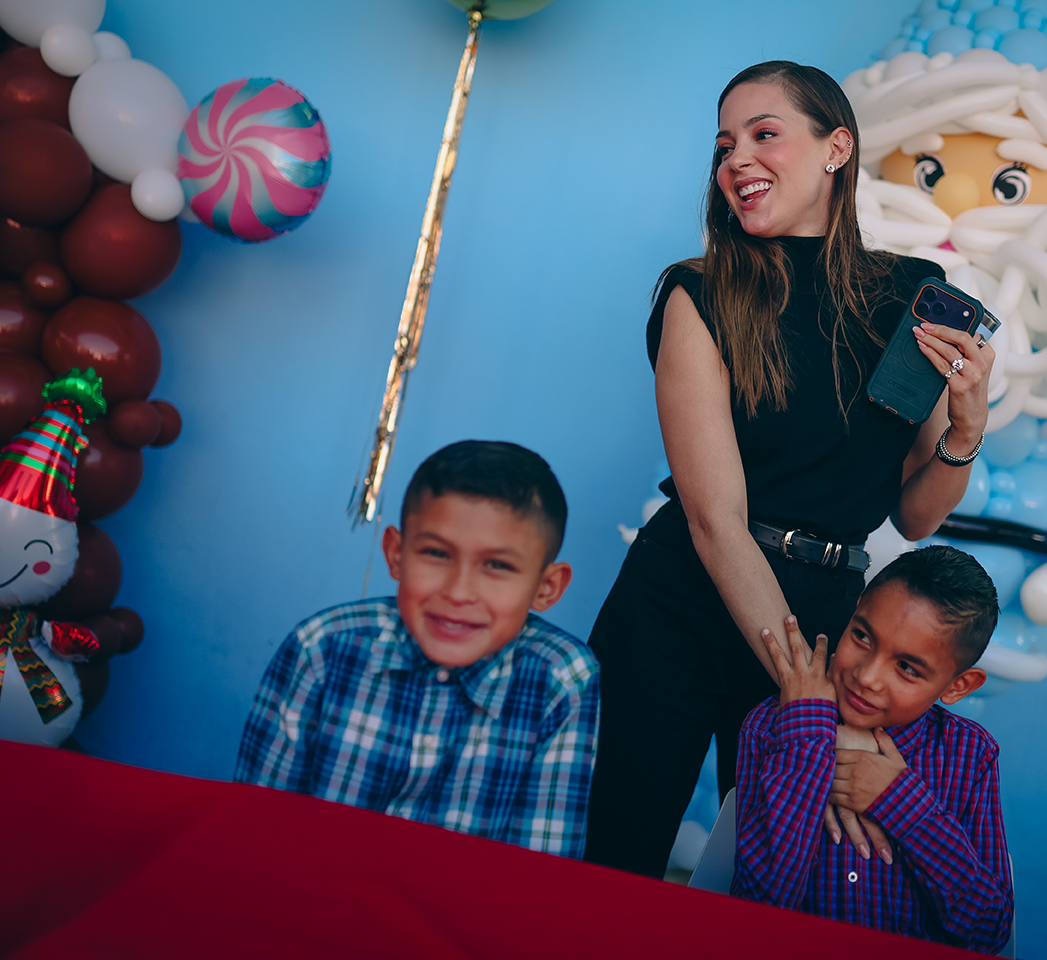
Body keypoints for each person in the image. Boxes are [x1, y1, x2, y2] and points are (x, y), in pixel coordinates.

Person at [584, 59, 995, 877]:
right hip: (680, 606)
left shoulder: (911, 295)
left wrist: (966, 427)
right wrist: (801, 682)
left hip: (826, 615)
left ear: (837, 148)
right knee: (616, 862)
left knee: (776, 879)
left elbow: (915, 516)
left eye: (764, 134)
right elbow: (715, 522)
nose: (736, 158)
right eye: (724, 145)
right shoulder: (696, 294)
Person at [235, 440, 600, 859]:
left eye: (498, 565)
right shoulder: (320, 648)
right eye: (436, 554)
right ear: (396, 554)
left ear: (546, 587)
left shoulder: (563, 680)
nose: (459, 592)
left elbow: (537, 871)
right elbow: (252, 831)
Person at [733, 545, 1012, 954]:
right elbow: (756, 907)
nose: (867, 677)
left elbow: (988, 930)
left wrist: (898, 800)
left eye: (907, 668)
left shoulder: (971, 755)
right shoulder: (770, 726)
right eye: (862, 636)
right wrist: (809, 739)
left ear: (958, 686)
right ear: (855, 610)